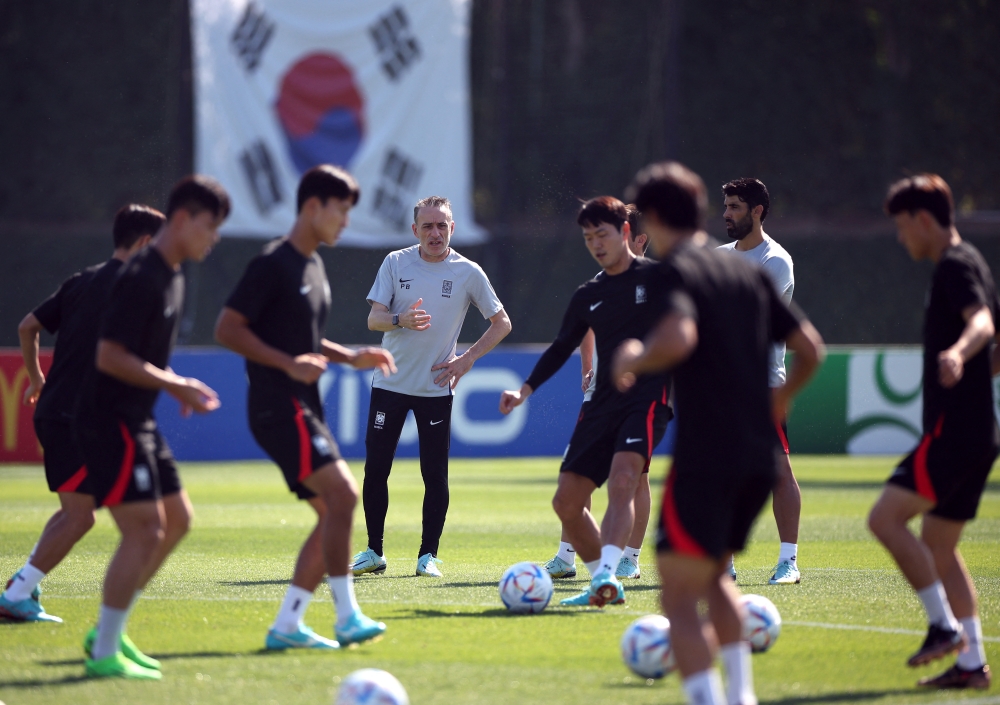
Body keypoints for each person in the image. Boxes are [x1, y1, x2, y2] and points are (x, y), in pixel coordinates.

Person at [611, 161, 823, 705]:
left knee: (677, 591)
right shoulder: (743, 271)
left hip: (710, 452)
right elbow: (811, 349)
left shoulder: (674, 272)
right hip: (755, 449)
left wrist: (636, 357)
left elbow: (679, 337)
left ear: (653, 217)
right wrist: (777, 400)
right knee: (711, 580)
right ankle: (740, 696)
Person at [215, 165, 395, 650]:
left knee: (332, 512)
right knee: (344, 497)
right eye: (341, 211)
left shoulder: (314, 265)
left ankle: (288, 624)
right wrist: (287, 365)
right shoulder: (272, 263)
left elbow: (308, 338)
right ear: (313, 206)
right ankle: (347, 615)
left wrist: (350, 356)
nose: (346, 222)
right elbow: (228, 329)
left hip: (302, 404)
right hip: (278, 403)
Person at [75, 176, 230, 680]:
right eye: (211, 226)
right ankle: (103, 650)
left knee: (177, 520)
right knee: (146, 530)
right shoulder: (142, 273)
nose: (215, 238)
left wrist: (174, 383)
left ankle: (111, 633)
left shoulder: (174, 274)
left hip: (136, 419)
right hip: (109, 418)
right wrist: (175, 385)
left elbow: (140, 359)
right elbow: (110, 355)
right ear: (183, 220)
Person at [500, 196, 672, 607]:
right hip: (600, 406)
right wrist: (524, 390)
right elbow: (562, 347)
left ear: (626, 233)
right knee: (566, 501)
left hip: (646, 399)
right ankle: (603, 583)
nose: (596, 243)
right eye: (588, 237)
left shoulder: (661, 279)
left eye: (603, 234)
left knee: (625, 479)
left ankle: (610, 573)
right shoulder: (588, 294)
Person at [0, 205, 162, 624]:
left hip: (58, 410)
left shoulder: (82, 280)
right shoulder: (133, 287)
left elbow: (26, 326)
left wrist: (37, 379)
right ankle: (17, 593)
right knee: (81, 517)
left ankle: (21, 585)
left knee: (76, 509)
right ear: (145, 242)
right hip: (75, 416)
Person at [867, 174, 997, 690]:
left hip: (954, 431)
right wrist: (972, 364)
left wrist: (957, 354)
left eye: (902, 226)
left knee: (885, 519)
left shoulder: (955, 266)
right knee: (940, 545)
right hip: (979, 430)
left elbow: (983, 324)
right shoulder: (976, 262)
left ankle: (942, 628)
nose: (901, 238)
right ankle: (972, 664)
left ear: (924, 220)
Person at [352, 195, 510, 579]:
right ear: (415, 230)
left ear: (452, 228)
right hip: (390, 383)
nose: (435, 233)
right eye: (428, 226)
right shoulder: (395, 262)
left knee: (434, 475)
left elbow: (501, 322)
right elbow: (374, 320)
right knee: (376, 470)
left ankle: (428, 557)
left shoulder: (468, 271)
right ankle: (374, 551)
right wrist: (399, 319)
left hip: (436, 387)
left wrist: (466, 359)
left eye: (442, 225)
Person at [546, 203, 660, 581]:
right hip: (598, 395)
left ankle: (629, 557)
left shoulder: (657, 281)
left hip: (640, 397)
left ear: (635, 237)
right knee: (580, 473)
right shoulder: (601, 280)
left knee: (633, 477)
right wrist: (588, 369)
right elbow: (586, 332)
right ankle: (567, 556)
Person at [717, 178, 800, 585]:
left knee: (778, 472)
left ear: (757, 212)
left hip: (763, 386)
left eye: (734, 206)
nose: (726, 214)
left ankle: (789, 562)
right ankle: (725, 563)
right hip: (721, 388)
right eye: (726, 206)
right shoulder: (716, 257)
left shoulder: (776, 260)